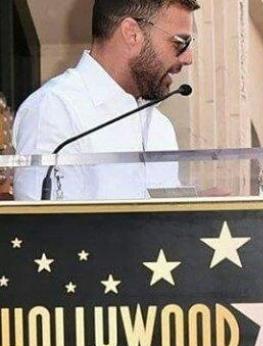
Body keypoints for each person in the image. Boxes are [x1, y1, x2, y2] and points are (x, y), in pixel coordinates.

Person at [12, 0, 199, 200]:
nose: (188, 58)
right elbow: (44, 218)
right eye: (180, 43)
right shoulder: (54, 109)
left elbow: (165, 215)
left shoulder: (160, 127)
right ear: (132, 34)